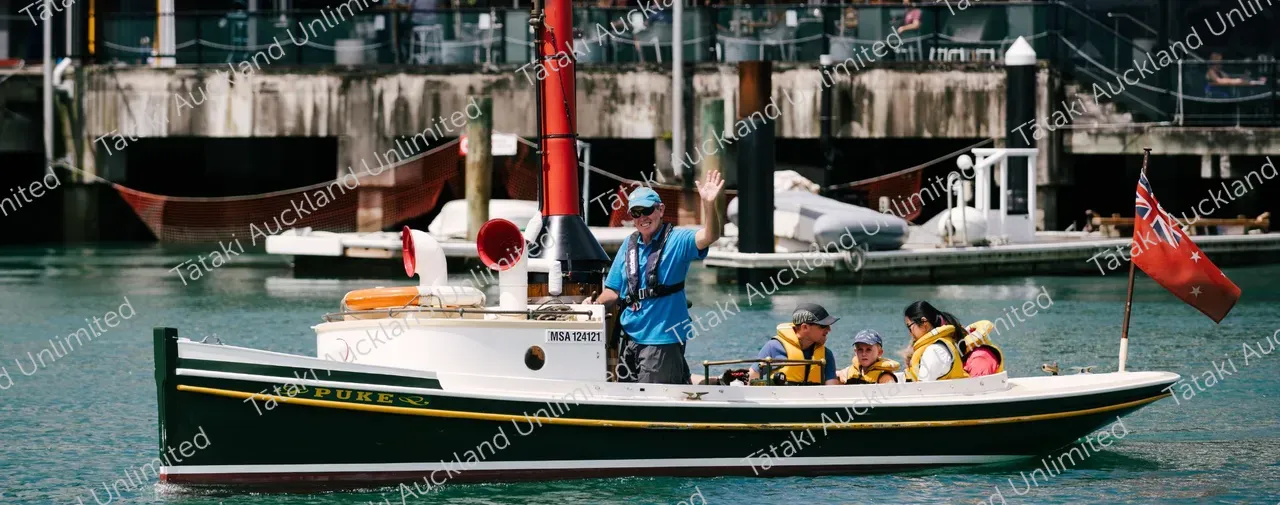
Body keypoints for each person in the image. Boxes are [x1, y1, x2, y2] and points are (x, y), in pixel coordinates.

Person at [587, 171, 725, 384]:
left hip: (662, 340)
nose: (642, 218)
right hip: (630, 340)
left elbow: (710, 235)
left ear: (660, 210)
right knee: (629, 397)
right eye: (636, 213)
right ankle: (709, 383)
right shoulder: (628, 246)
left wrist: (709, 204)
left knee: (653, 399)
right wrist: (594, 305)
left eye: (647, 210)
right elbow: (613, 291)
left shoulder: (678, 240)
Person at [902, 301, 1004, 382]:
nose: (910, 333)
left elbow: (921, 388)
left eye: (909, 327)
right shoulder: (946, 346)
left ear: (924, 323)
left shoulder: (935, 351)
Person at [748, 304, 843, 386]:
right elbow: (753, 376)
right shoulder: (773, 347)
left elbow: (831, 387)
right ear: (805, 327)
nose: (829, 329)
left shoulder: (826, 354)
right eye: (823, 326)